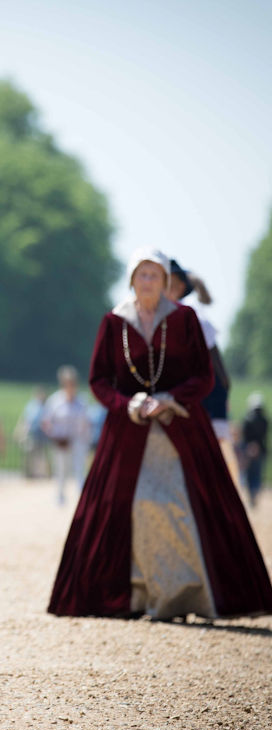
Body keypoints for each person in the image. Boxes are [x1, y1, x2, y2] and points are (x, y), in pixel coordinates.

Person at [49, 248, 272, 620]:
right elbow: (99, 380)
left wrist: (171, 399)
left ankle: (185, 596)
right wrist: (129, 404)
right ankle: (138, 595)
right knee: (132, 507)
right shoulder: (114, 322)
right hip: (128, 431)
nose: (148, 282)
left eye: (155, 275)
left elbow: (205, 376)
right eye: (142, 275)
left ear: (166, 281)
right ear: (132, 280)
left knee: (182, 508)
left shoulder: (185, 319)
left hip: (182, 428)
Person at [166, 259, 240, 486]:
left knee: (214, 448)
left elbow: (209, 360)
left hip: (206, 389)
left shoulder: (190, 314)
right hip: (203, 387)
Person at [41, 366, 91, 505]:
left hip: (78, 441)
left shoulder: (82, 401)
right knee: (61, 470)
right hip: (60, 442)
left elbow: (87, 423)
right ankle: (60, 497)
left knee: (79, 470)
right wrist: (55, 436)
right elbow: (46, 422)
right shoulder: (55, 401)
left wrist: (85, 440)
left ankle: (82, 499)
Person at [241, 393, 268, 509]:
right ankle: (255, 493)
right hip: (261, 450)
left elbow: (245, 436)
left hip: (248, 450)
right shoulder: (265, 420)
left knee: (249, 474)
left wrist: (250, 447)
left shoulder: (247, 419)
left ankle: (252, 495)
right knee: (257, 473)